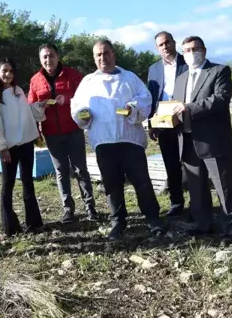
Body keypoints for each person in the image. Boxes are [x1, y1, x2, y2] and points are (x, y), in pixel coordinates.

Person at [71, 39, 165, 240]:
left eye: (106, 53)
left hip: (130, 140)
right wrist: (82, 114)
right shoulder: (87, 82)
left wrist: (133, 107)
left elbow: (145, 98)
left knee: (142, 182)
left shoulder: (129, 78)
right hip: (103, 142)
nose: (102, 58)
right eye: (98, 55)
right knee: (112, 185)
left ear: (113, 54)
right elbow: (76, 106)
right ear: (94, 58)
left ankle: (153, 219)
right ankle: (118, 222)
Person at [172, 36, 232, 246]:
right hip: (188, 139)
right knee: (196, 186)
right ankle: (204, 224)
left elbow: (220, 99)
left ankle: (231, 230)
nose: (191, 53)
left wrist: (189, 108)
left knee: (224, 186)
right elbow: (176, 105)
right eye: (186, 50)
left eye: (195, 49)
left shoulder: (219, 71)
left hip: (213, 141)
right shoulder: (181, 78)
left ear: (204, 50)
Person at [28, 43, 99, 224]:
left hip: (73, 130)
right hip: (51, 133)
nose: (48, 59)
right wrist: (37, 130)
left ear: (58, 56)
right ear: (40, 59)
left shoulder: (72, 74)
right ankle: (68, 209)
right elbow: (30, 107)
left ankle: (90, 207)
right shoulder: (35, 80)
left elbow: (86, 96)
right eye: (44, 57)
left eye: (51, 55)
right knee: (61, 172)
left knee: (80, 169)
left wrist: (67, 99)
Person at [0, 58, 45, 237]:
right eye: (4, 71)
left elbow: (25, 113)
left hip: (25, 144)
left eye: (10, 71)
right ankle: (9, 226)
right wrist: (2, 148)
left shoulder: (18, 92)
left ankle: (34, 222)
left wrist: (40, 106)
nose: (8, 74)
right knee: (7, 184)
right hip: (9, 148)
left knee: (27, 182)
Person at [147, 31, 188, 217]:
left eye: (167, 43)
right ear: (157, 48)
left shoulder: (187, 62)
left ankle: (198, 201)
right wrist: (151, 123)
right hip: (163, 121)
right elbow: (151, 96)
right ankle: (177, 202)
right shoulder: (154, 69)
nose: (165, 47)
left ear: (173, 42)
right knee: (170, 163)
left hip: (185, 118)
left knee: (190, 161)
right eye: (161, 45)